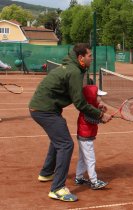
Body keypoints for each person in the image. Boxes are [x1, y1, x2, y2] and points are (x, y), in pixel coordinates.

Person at [29, 43, 112, 202]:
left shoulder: (74, 68)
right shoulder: (74, 71)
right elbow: (79, 104)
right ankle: (58, 189)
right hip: (44, 110)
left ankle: (46, 173)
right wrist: (100, 115)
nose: (92, 58)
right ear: (81, 58)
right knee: (65, 144)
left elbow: (78, 96)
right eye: (89, 56)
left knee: (58, 139)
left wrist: (96, 105)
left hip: (44, 109)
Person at [74, 85, 108, 190]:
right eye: (98, 95)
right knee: (90, 159)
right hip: (86, 137)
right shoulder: (88, 109)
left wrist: (100, 109)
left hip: (83, 135)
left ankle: (79, 177)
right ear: (92, 96)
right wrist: (103, 118)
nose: (100, 98)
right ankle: (94, 181)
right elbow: (93, 120)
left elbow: (94, 111)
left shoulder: (89, 106)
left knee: (83, 158)